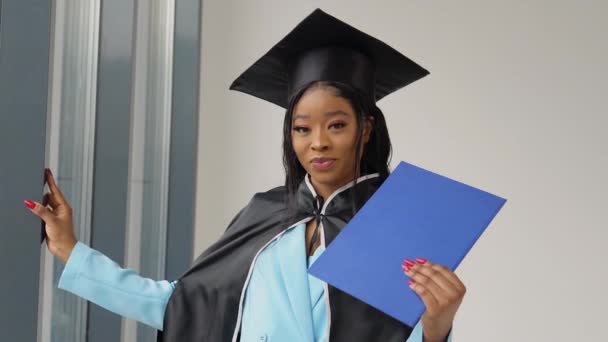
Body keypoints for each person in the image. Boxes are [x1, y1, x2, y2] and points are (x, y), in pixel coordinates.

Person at [26, 9, 466, 342]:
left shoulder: (396, 226)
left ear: (365, 128)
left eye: (336, 125)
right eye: (302, 128)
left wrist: (438, 327)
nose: (318, 143)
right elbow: (177, 303)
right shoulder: (267, 212)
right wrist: (69, 248)